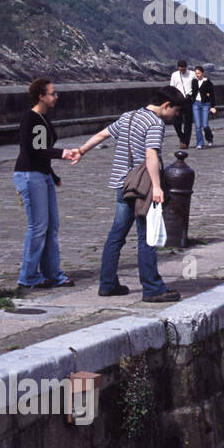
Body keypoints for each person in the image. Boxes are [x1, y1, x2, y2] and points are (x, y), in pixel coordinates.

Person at [72, 86, 185, 303]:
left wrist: (82, 150)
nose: (176, 115)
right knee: (147, 236)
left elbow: (102, 134)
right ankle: (152, 288)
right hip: (142, 187)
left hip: (121, 184)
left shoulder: (129, 116)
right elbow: (151, 155)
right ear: (166, 105)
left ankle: (107, 284)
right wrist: (157, 187)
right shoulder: (155, 123)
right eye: (176, 111)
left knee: (117, 235)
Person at [12, 78, 79, 290]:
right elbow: (34, 150)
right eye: (52, 93)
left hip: (42, 175)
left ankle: (52, 273)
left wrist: (52, 174)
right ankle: (28, 276)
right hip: (29, 175)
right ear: (41, 96)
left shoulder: (43, 118)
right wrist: (62, 153)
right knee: (38, 227)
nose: (56, 96)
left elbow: (42, 150)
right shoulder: (30, 119)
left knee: (52, 226)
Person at [169, 60, 195, 149]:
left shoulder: (192, 74)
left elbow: (196, 87)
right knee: (176, 122)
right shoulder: (174, 75)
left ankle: (185, 143)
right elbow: (172, 88)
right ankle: (182, 137)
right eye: (181, 69)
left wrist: (191, 95)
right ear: (178, 67)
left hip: (188, 100)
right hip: (178, 101)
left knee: (188, 123)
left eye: (184, 69)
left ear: (186, 67)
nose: (182, 71)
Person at [190, 66, 217, 148]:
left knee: (205, 125)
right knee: (198, 125)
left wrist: (213, 106)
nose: (197, 75)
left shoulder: (207, 82)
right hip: (196, 104)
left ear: (202, 73)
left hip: (205, 104)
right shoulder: (194, 81)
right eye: (196, 73)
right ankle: (200, 143)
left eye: (198, 73)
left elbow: (212, 95)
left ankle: (209, 138)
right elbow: (193, 92)